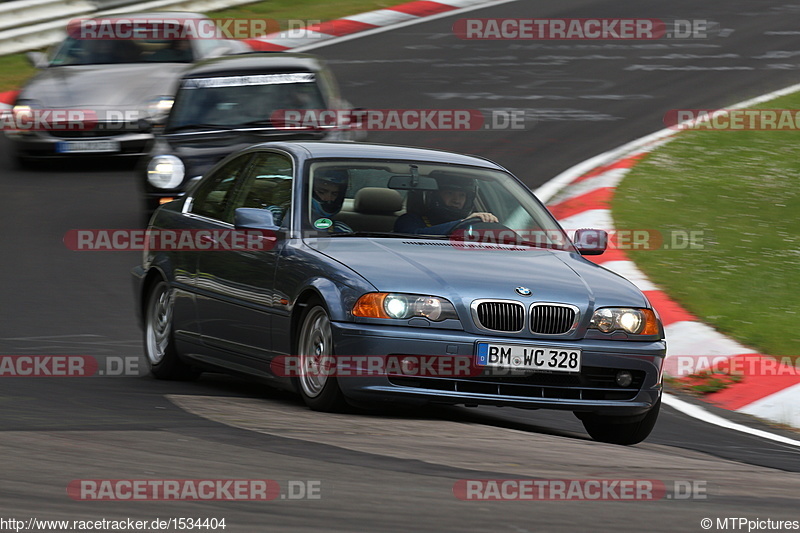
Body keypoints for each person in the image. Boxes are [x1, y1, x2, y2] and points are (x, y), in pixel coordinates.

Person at [393, 172, 497, 235]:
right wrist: (463, 223)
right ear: (434, 196)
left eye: (462, 195)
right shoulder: (409, 220)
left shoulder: (474, 224)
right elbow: (414, 237)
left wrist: (487, 221)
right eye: (450, 193)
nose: (456, 200)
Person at [310, 168, 353, 233]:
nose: (328, 198)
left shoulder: (342, 231)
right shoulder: (291, 223)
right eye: (321, 192)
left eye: (335, 194)